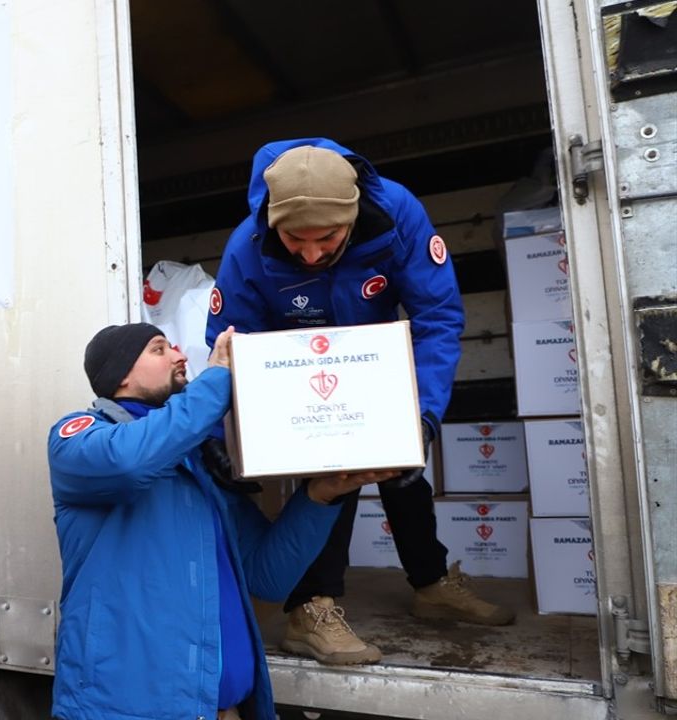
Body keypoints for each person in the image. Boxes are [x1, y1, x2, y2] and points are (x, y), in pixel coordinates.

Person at [206, 139, 514, 666]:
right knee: (332, 476)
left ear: (352, 216)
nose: (309, 254)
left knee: (402, 465)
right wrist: (219, 437)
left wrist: (423, 416)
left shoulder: (397, 216)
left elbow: (437, 317)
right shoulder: (246, 248)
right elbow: (226, 349)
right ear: (272, 220)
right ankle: (311, 608)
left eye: (326, 238)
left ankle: (432, 584)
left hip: (374, 361)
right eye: (294, 240)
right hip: (296, 369)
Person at [47, 322, 394, 720]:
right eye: (160, 350)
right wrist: (216, 379)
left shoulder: (198, 468)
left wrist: (320, 495)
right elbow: (128, 462)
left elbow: (267, 577)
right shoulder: (78, 440)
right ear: (120, 374)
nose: (180, 357)